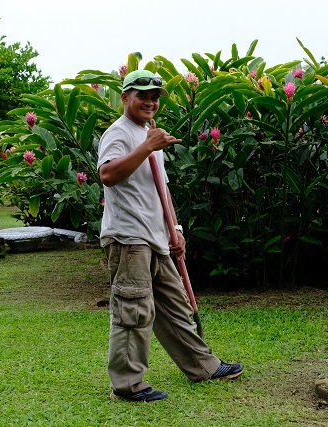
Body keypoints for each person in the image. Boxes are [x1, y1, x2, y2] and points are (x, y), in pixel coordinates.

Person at [97, 69, 244, 402]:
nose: (150, 101)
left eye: (154, 96)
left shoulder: (150, 133)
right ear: (125, 97)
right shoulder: (119, 133)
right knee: (134, 310)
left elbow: (159, 189)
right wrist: (147, 146)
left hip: (156, 237)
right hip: (129, 238)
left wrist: (174, 229)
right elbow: (107, 175)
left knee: (175, 305)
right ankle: (127, 385)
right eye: (142, 95)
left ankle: (203, 366)